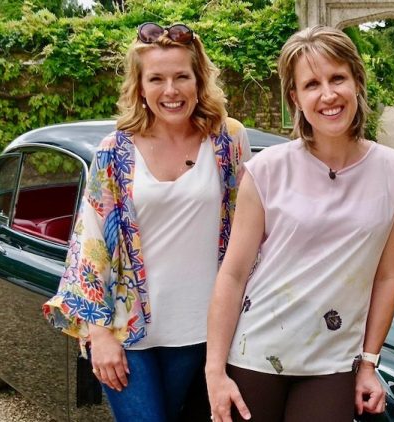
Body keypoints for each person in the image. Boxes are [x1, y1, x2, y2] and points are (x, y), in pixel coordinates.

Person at [204, 25, 394, 421]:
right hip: (256, 354)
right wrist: (215, 371)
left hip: (333, 362)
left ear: (357, 81)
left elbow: (388, 276)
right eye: (311, 84)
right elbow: (233, 274)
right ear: (295, 98)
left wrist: (369, 363)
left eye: (337, 78)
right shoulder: (267, 170)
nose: (328, 94)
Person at [42, 22, 251, 421]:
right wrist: (98, 333)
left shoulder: (228, 141)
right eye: (156, 78)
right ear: (139, 85)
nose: (170, 91)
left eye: (181, 77)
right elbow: (90, 245)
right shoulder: (113, 151)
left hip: (208, 329)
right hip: (128, 331)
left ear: (199, 79)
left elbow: (253, 227)